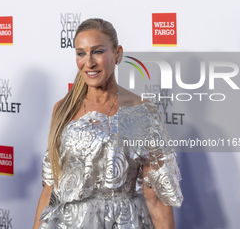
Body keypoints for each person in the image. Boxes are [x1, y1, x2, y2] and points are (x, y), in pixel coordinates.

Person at [33, 19, 183, 229]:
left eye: (98, 51)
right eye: (81, 53)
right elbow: (50, 188)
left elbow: (156, 197)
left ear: (118, 53)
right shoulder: (63, 109)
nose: (89, 62)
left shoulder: (143, 112)